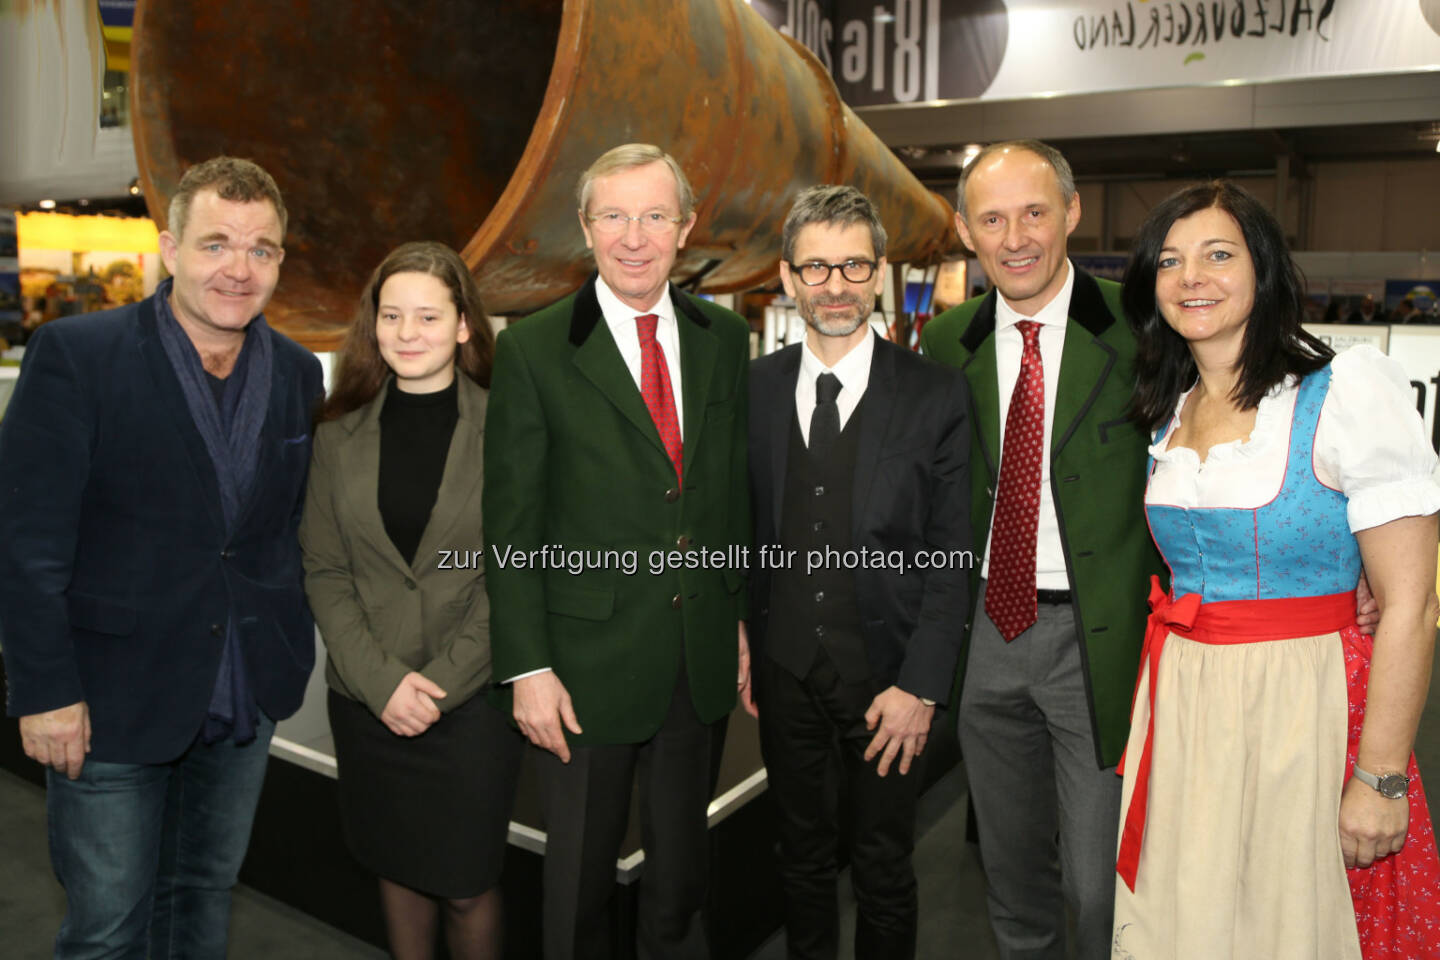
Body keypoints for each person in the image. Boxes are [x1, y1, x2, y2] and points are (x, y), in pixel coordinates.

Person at [0, 156, 323, 957]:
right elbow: (28, 540)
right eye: (216, 244)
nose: (238, 270)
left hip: (243, 691)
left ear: (281, 260)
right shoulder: (77, 354)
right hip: (107, 699)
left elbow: (283, 527)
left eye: (261, 250)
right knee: (107, 927)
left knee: (200, 900)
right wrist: (43, 690)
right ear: (170, 248)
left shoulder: (294, 372)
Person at [1111, 179, 1440, 960]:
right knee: (1191, 917)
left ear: (1264, 269)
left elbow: (1410, 604)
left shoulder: (1345, 389)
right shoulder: (1171, 406)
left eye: (1218, 255)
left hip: (1303, 705)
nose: (1191, 277)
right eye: (1170, 260)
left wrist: (1382, 776)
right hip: (1183, 699)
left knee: (1286, 923)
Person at [482, 143, 750, 960]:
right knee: (579, 888)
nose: (635, 237)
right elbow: (511, 525)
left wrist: (732, 614)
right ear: (586, 228)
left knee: (682, 881)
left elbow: (726, 496)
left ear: (685, 227)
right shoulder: (532, 349)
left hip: (692, 658)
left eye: (654, 216)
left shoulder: (723, 339)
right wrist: (526, 667)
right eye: (614, 216)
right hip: (579, 668)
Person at [918, 140, 1159, 960]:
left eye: (1034, 212)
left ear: (1073, 211)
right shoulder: (947, 342)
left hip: (1100, 642)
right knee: (1012, 879)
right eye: (992, 218)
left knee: (1097, 888)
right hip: (985, 634)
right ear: (963, 230)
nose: (1015, 236)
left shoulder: (1142, 327)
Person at [746, 185, 972, 959]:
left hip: (890, 683)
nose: (834, 285)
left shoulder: (936, 395)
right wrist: (747, 635)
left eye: (852, 265)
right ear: (787, 276)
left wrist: (924, 687)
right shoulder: (755, 392)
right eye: (816, 267)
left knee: (882, 866)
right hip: (784, 674)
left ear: (878, 272)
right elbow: (744, 534)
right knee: (800, 862)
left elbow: (953, 555)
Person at [299, 241, 522, 960]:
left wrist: (439, 683)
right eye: (391, 315)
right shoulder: (337, 431)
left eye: (428, 315)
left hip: (473, 705)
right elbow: (326, 569)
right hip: (368, 699)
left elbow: (514, 572)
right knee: (394, 867)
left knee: (466, 884)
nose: (407, 332)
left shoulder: (510, 427)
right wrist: (382, 680)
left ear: (463, 325)